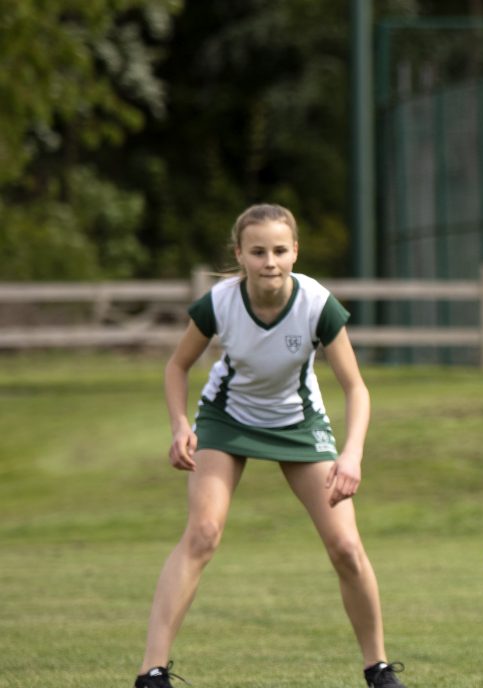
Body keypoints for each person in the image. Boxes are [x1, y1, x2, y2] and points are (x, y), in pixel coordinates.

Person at [134, 204, 407, 688]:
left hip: (298, 422)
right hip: (226, 419)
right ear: (240, 254)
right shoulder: (218, 304)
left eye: (280, 250)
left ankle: (379, 669)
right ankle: (151, 673)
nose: (270, 261)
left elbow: (356, 388)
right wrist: (180, 426)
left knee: (345, 545)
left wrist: (352, 453)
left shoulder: (317, 305)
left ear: (295, 251)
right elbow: (176, 367)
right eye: (258, 251)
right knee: (203, 535)